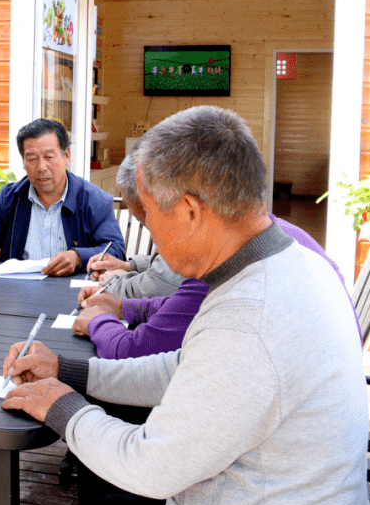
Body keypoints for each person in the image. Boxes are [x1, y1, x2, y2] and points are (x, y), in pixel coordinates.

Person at [2, 106, 370, 505]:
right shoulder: (294, 262)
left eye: (149, 216)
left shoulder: (247, 319)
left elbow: (150, 467)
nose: (150, 238)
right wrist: (69, 370)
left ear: (191, 211)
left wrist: (61, 407)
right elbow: (182, 368)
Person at [74, 149, 355, 358]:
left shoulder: (226, 261)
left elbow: (138, 351)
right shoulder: (267, 234)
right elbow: (188, 307)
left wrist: (97, 322)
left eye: (151, 220)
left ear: (189, 208)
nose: (155, 241)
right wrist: (124, 307)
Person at [0, 118, 124, 276]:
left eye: (49, 157)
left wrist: (78, 257)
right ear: (24, 162)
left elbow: (116, 250)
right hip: (15, 293)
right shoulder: (10, 198)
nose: (41, 167)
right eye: (31, 158)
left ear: (66, 156)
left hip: (73, 293)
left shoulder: (95, 200)